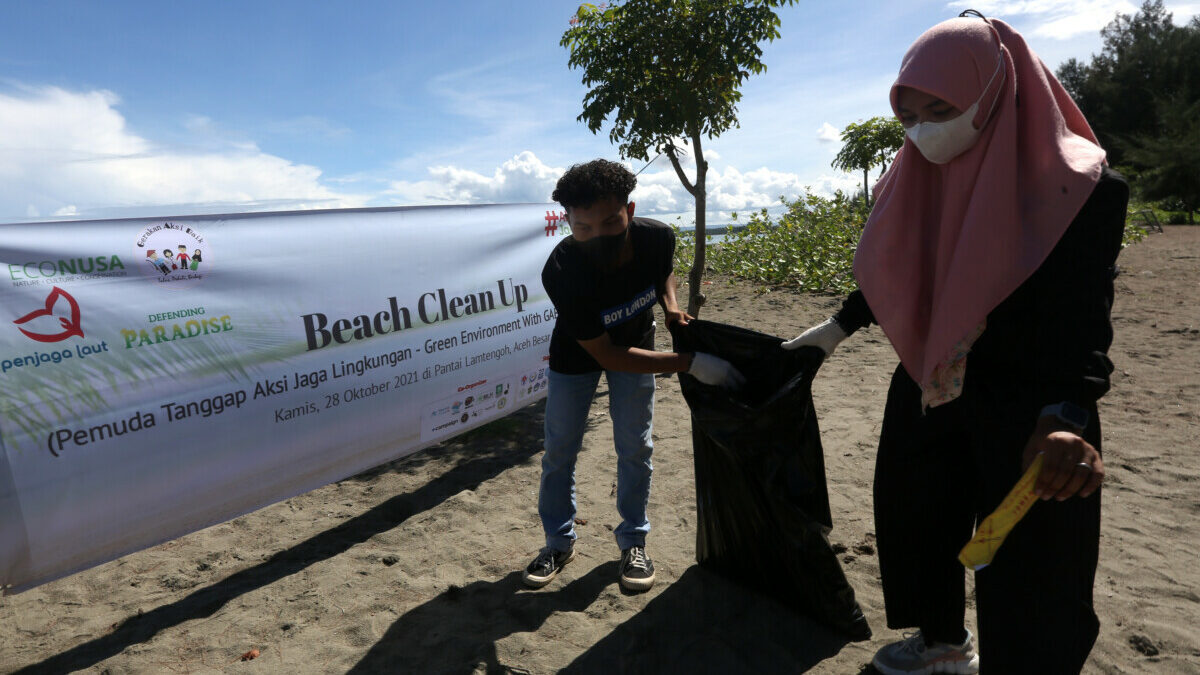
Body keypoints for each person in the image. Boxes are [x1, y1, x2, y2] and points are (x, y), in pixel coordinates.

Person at [783, 12, 1127, 674]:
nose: (922, 130)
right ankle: (942, 642)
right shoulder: (916, 170)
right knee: (920, 520)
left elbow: (1086, 317)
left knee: (1035, 565)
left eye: (939, 108)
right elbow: (901, 269)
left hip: (1031, 403)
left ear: (996, 87)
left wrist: (1067, 415)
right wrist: (833, 331)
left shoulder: (1082, 188)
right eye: (907, 114)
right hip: (929, 379)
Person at [524, 159, 744, 592]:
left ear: (630, 209)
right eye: (581, 227)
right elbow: (607, 353)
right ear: (567, 222)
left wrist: (669, 302)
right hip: (577, 356)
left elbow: (663, 271)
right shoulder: (562, 270)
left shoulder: (657, 237)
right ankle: (558, 541)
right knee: (559, 450)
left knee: (635, 447)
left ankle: (633, 541)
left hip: (638, 339)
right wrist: (688, 362)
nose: (596, 235)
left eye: (610, 222)